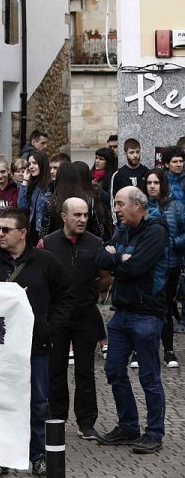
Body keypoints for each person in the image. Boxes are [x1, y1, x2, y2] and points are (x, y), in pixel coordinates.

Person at [0, 208, 70, 477]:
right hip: (1, 350)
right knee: (0, 402)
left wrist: (50, 328)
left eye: (5, 229)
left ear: (23, 233)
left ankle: (38, 455)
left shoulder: (46, 262)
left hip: (36, 347)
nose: (0, 234)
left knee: (39, 403)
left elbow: (65, 297)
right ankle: (0, 456)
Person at [95, 186, 167, 454]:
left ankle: (154, 433)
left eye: (120, 203)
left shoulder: (156, 231)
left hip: (147, 314)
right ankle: (128, 426)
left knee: (149, 376)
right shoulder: (123, 229)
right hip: (122, 314)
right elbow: (100, 258)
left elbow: (136, 267)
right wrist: (117, 257)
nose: (116, 209)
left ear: (137, 205)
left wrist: (117, 261)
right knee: (113, 370)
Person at [39, 197, 105, 441]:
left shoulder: (95, 243)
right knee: (55, 369)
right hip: (56, 315)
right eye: (77, 215)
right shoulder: (48, 243)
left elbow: (106, 276)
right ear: (64, 216)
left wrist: (92, 293)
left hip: (86, 314)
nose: (83, 220)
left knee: (85, 371)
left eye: (86, 215)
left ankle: (86, 422)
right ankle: (57, 417)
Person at [143, 169, 184, 368]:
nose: (152, 186)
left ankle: (168, 350)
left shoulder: (176, 206)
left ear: (163, 185)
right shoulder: (140, 206)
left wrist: (175, 243)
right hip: (146, 265)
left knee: (166, 307)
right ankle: (140, 350)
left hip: (170, 264)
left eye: (156, 182)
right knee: (144, 308)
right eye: (149, 182)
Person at [40, 163, 88, 240]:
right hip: (85, 243)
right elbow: (98, 230)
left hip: (57, 244)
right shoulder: (87, 200)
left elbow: (44, 232)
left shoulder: (51, 203)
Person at [18, 150, 52, 246]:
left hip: (46, 233)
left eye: (35, 163)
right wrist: (25, 181)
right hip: (33, 232)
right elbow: (22, 207)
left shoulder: (51, 186)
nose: (31, 166)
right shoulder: (34, 185)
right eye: (29, 164)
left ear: (42, 164)